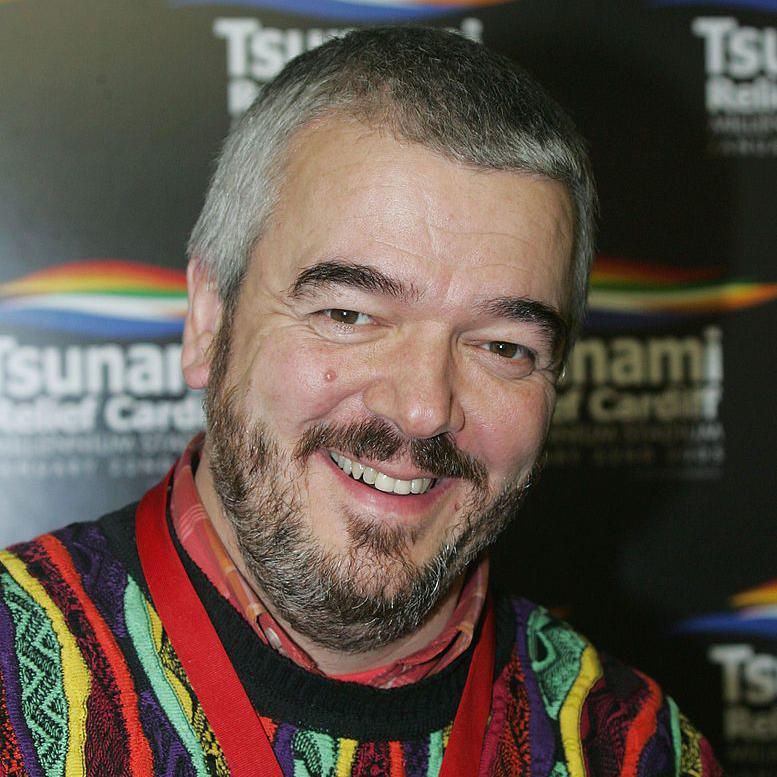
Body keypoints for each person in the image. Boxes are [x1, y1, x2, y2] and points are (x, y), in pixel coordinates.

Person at [0, 27, 720, 777]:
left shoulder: (639, 749)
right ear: (209, 317)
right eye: (349, 313)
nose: (421, 409)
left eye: (502, 346)